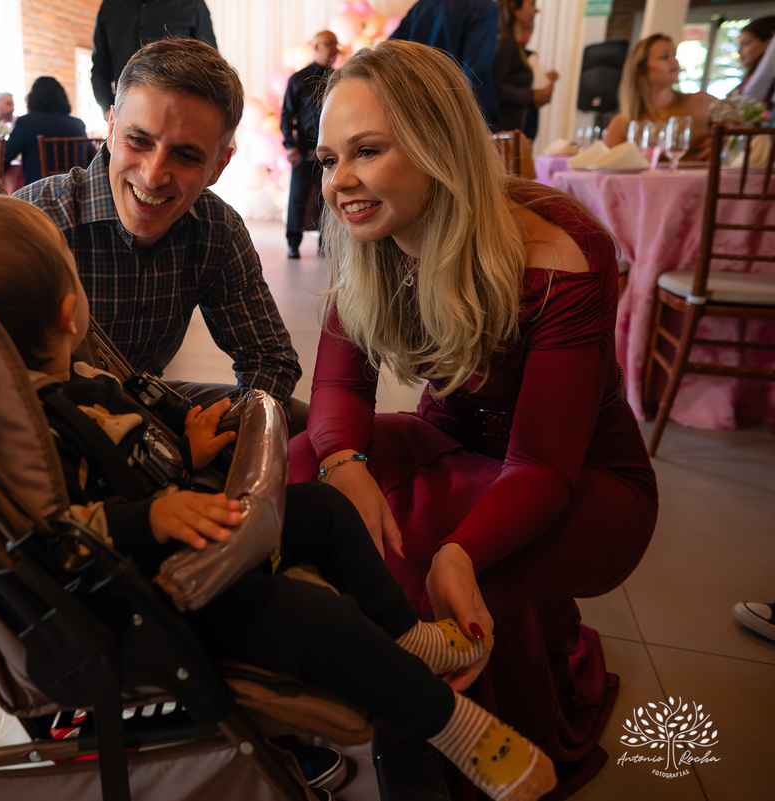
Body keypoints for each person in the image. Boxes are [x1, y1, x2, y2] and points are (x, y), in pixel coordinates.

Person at [0, 191, 559, 801]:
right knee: (312, 616)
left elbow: (119, 453)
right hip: (149, 599)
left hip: (187, 539)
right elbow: (57, 535)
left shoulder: (76, 378)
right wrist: (151, 517)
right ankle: (453, 727)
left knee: (326, 510)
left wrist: (183, 453)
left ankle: (406, 634)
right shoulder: (24, 434)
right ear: (68, 313)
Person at [289, 40, 658, 796]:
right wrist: (342, 462)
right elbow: (340, 386)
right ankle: (379, 687)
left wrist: (459, 553)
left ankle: (458, 749)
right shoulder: (369, 235)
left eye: (367, 151)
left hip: (583, 475)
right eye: (328, 159)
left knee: (445, 567)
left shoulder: (561, 251)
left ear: (439, 146)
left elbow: (542, 464)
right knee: (302, 467)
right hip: (458, 438)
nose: (339, 180)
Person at [16, 39, 304, 428]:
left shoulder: (217, 230)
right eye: (138, 140)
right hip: (41, 421)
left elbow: (270, 359)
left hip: (143, 407)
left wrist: (219, 435)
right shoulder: (37, 222)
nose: (153, 176)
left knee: (296, 417)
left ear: (218, 166)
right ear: (112, 128)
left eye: (186, 155)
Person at [90, 0, 217, 119]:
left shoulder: (193, 4)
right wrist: (107, 110)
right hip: (126, 115)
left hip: (179, 116)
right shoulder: (110, 6)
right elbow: (100, 68)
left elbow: (210, 67)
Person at [391, 0, 501, 127]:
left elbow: (389, 54)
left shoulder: (422, 6)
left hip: (416, 113)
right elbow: (477, 75)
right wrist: (490, 125)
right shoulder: (483, 8)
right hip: (453, 116)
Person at [602, 34, 712, 159]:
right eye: (664, 57)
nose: (674, 60)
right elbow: (607, 167)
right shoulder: (623, 122)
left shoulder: (701, 101)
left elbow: (731, 129)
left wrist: (723, 140)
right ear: (641, 69)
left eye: (674, 54)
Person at [281, 31, 339, 260]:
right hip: (304, 149)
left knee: (329, 196)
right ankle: (293, 243)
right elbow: (287, 115)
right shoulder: (299, 79)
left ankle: (326, 243)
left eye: (336, 44)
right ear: (315, 47)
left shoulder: (340, 78)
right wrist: (289, 145)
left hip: (332, 149)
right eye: (329, 43)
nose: (334, 48)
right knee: (299, 196)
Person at [492, 0, 558, 140]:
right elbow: (493, 88)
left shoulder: (513, 43)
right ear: (513, 6)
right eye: (532, 4)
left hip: (510, 134)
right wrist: (532, 95)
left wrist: (536, 97)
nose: (536, 10)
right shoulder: (505, 42)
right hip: (502, 136)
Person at [3, 77, 87, 186]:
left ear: (33, 98)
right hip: (77, 190)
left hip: (39, 192)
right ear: (62, 97)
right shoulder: (78, 124)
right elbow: (90, 159)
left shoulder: (26, 122)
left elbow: (5, 157)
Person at [732, 16, 775, 106]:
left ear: (768, 44)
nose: (739, 51)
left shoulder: (769, 89)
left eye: (746, 44)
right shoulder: (749, 79)